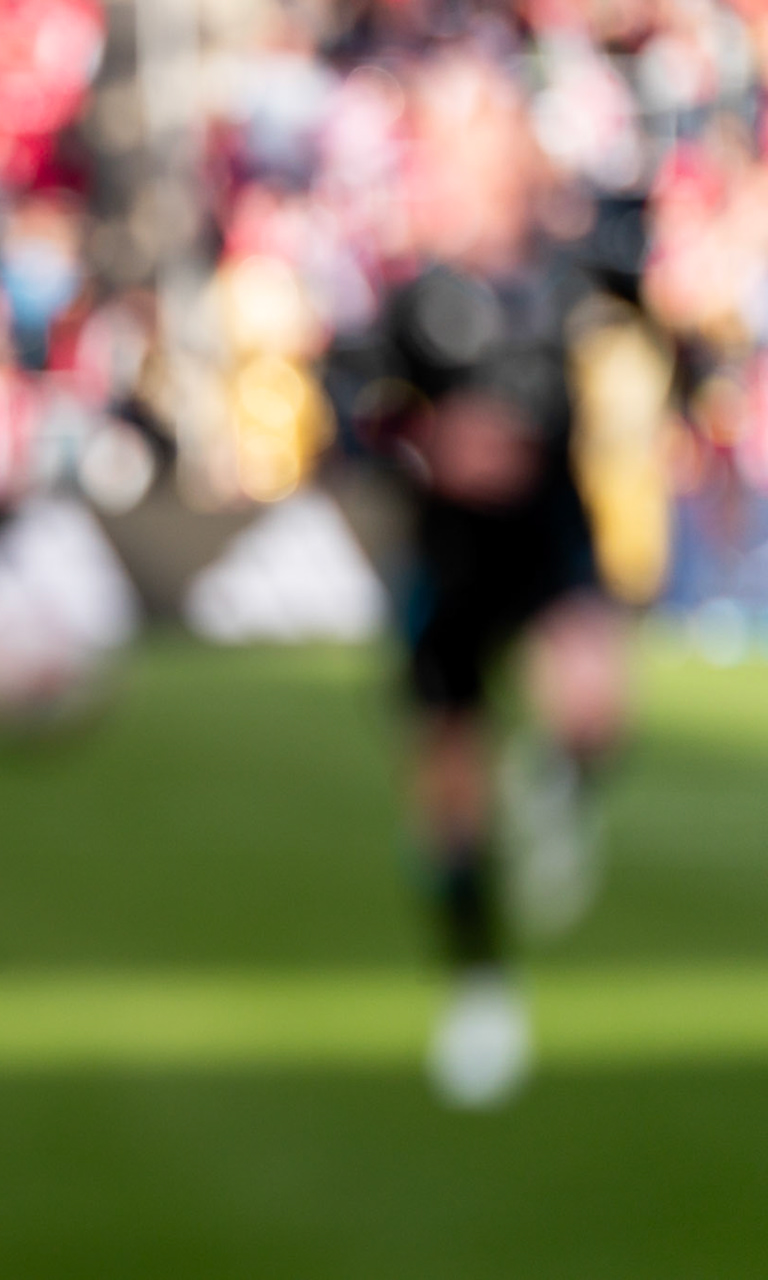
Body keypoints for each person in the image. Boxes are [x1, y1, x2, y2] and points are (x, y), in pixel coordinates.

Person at [331, 54, 642, 1110]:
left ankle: (562, 782)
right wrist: (430, 444)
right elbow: (350, 414)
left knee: (597, 703)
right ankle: (479, 983)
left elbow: (657, 332)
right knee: (448, 789)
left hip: (553, 543)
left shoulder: (576, 278)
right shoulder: (417, 299)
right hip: (451, 561)